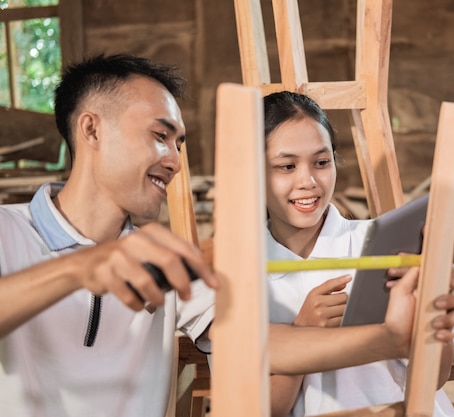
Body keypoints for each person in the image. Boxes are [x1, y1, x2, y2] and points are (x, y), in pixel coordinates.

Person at [0, 54, 428, 417]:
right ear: (91, 130)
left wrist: (391, 337)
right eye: (160, 136)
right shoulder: (8, 230)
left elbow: (262, 345)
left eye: (179, 143)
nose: (174, 160)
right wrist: (81, 265)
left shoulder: (166, 262)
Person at [263, 91, 454, 417]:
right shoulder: (245, 276)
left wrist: (436, 315)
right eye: (286, 166)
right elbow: (267, 409)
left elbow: (434, 379)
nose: (308, 181)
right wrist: (301, 334)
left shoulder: (383, 245)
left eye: (321, 162)